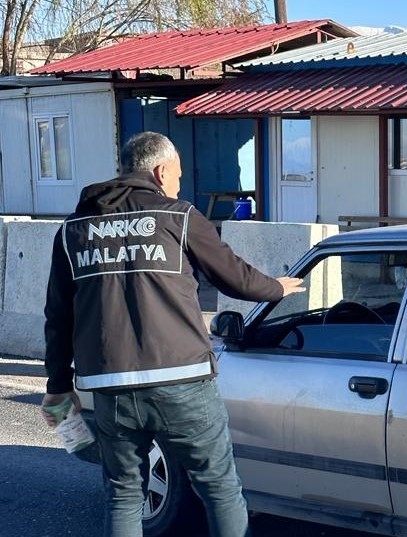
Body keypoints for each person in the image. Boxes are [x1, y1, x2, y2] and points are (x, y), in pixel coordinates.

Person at [41, 131, 305, 537]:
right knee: (219, 487)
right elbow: (234, 277)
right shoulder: (178, 216)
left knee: (125, 493)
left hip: (110, 384)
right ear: (161, 171)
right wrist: (276, 287)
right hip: (181, 377)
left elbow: (58, 315)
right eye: (178, 176)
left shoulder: (73, 230)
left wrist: (58, 384)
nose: (179, 184)